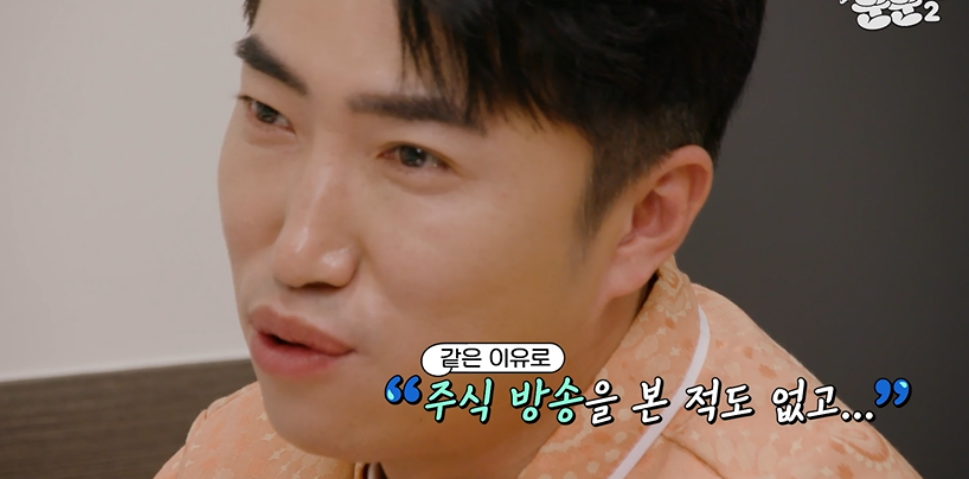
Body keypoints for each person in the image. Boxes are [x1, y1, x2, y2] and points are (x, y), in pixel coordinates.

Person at [156, 0, 922, 477]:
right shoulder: (236, 449)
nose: (298, 253)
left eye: (415, 155)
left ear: (643, 216)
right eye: (268, 112)